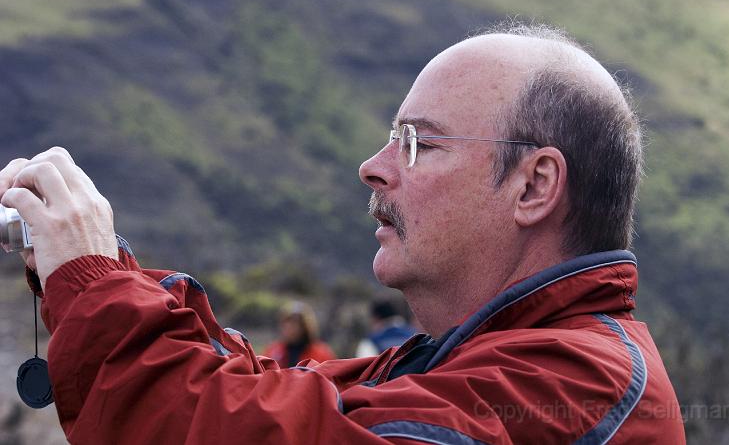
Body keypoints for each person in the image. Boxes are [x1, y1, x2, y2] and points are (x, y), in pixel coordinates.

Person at [0, 23, 686, 444]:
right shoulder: (461, 359)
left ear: (534, 186)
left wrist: (95, 285)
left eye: (418, 143)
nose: (373, 166)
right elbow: (267, 391)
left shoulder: (577, 387)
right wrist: (96, 266)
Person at [263, 300, 336, 368]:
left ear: (306, 327)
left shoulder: (322, 353)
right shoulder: (273, 350)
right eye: (288, 323)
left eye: (296, 323)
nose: (291, 327)